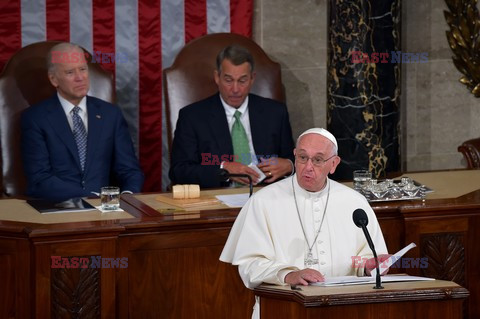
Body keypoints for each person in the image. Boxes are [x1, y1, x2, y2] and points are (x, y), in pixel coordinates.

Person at [220, 128, 388, 318]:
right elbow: (248, 265)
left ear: (334, 164)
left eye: (317, 160)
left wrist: (367, 265)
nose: (308, 166)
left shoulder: (354, 202)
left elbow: (367, 257)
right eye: (302, 157)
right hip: (284, 310)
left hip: (343, 309)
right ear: (294, 156)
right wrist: (287, 275)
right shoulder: (263, 201)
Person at [21, 42, 144, 201]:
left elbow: (129, 170)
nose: (80, 78)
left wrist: (128, 196)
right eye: (70, 72)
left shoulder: (110, 114)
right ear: (54, 79)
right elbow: (39, 179)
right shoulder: (35, 118)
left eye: (83, 69)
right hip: (58, 207)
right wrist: (88, 197)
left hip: (105, 210)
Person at [169, 45, 295, 188]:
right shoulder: (192, 116)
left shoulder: (275, 112)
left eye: (242, 80)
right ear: (217, 77)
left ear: (252, 78)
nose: (235, 89)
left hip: (266, 196)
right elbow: (179, 170)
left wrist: (289, 165)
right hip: (217, 200)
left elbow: (293, 159)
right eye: (228, 80)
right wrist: (223, 169)